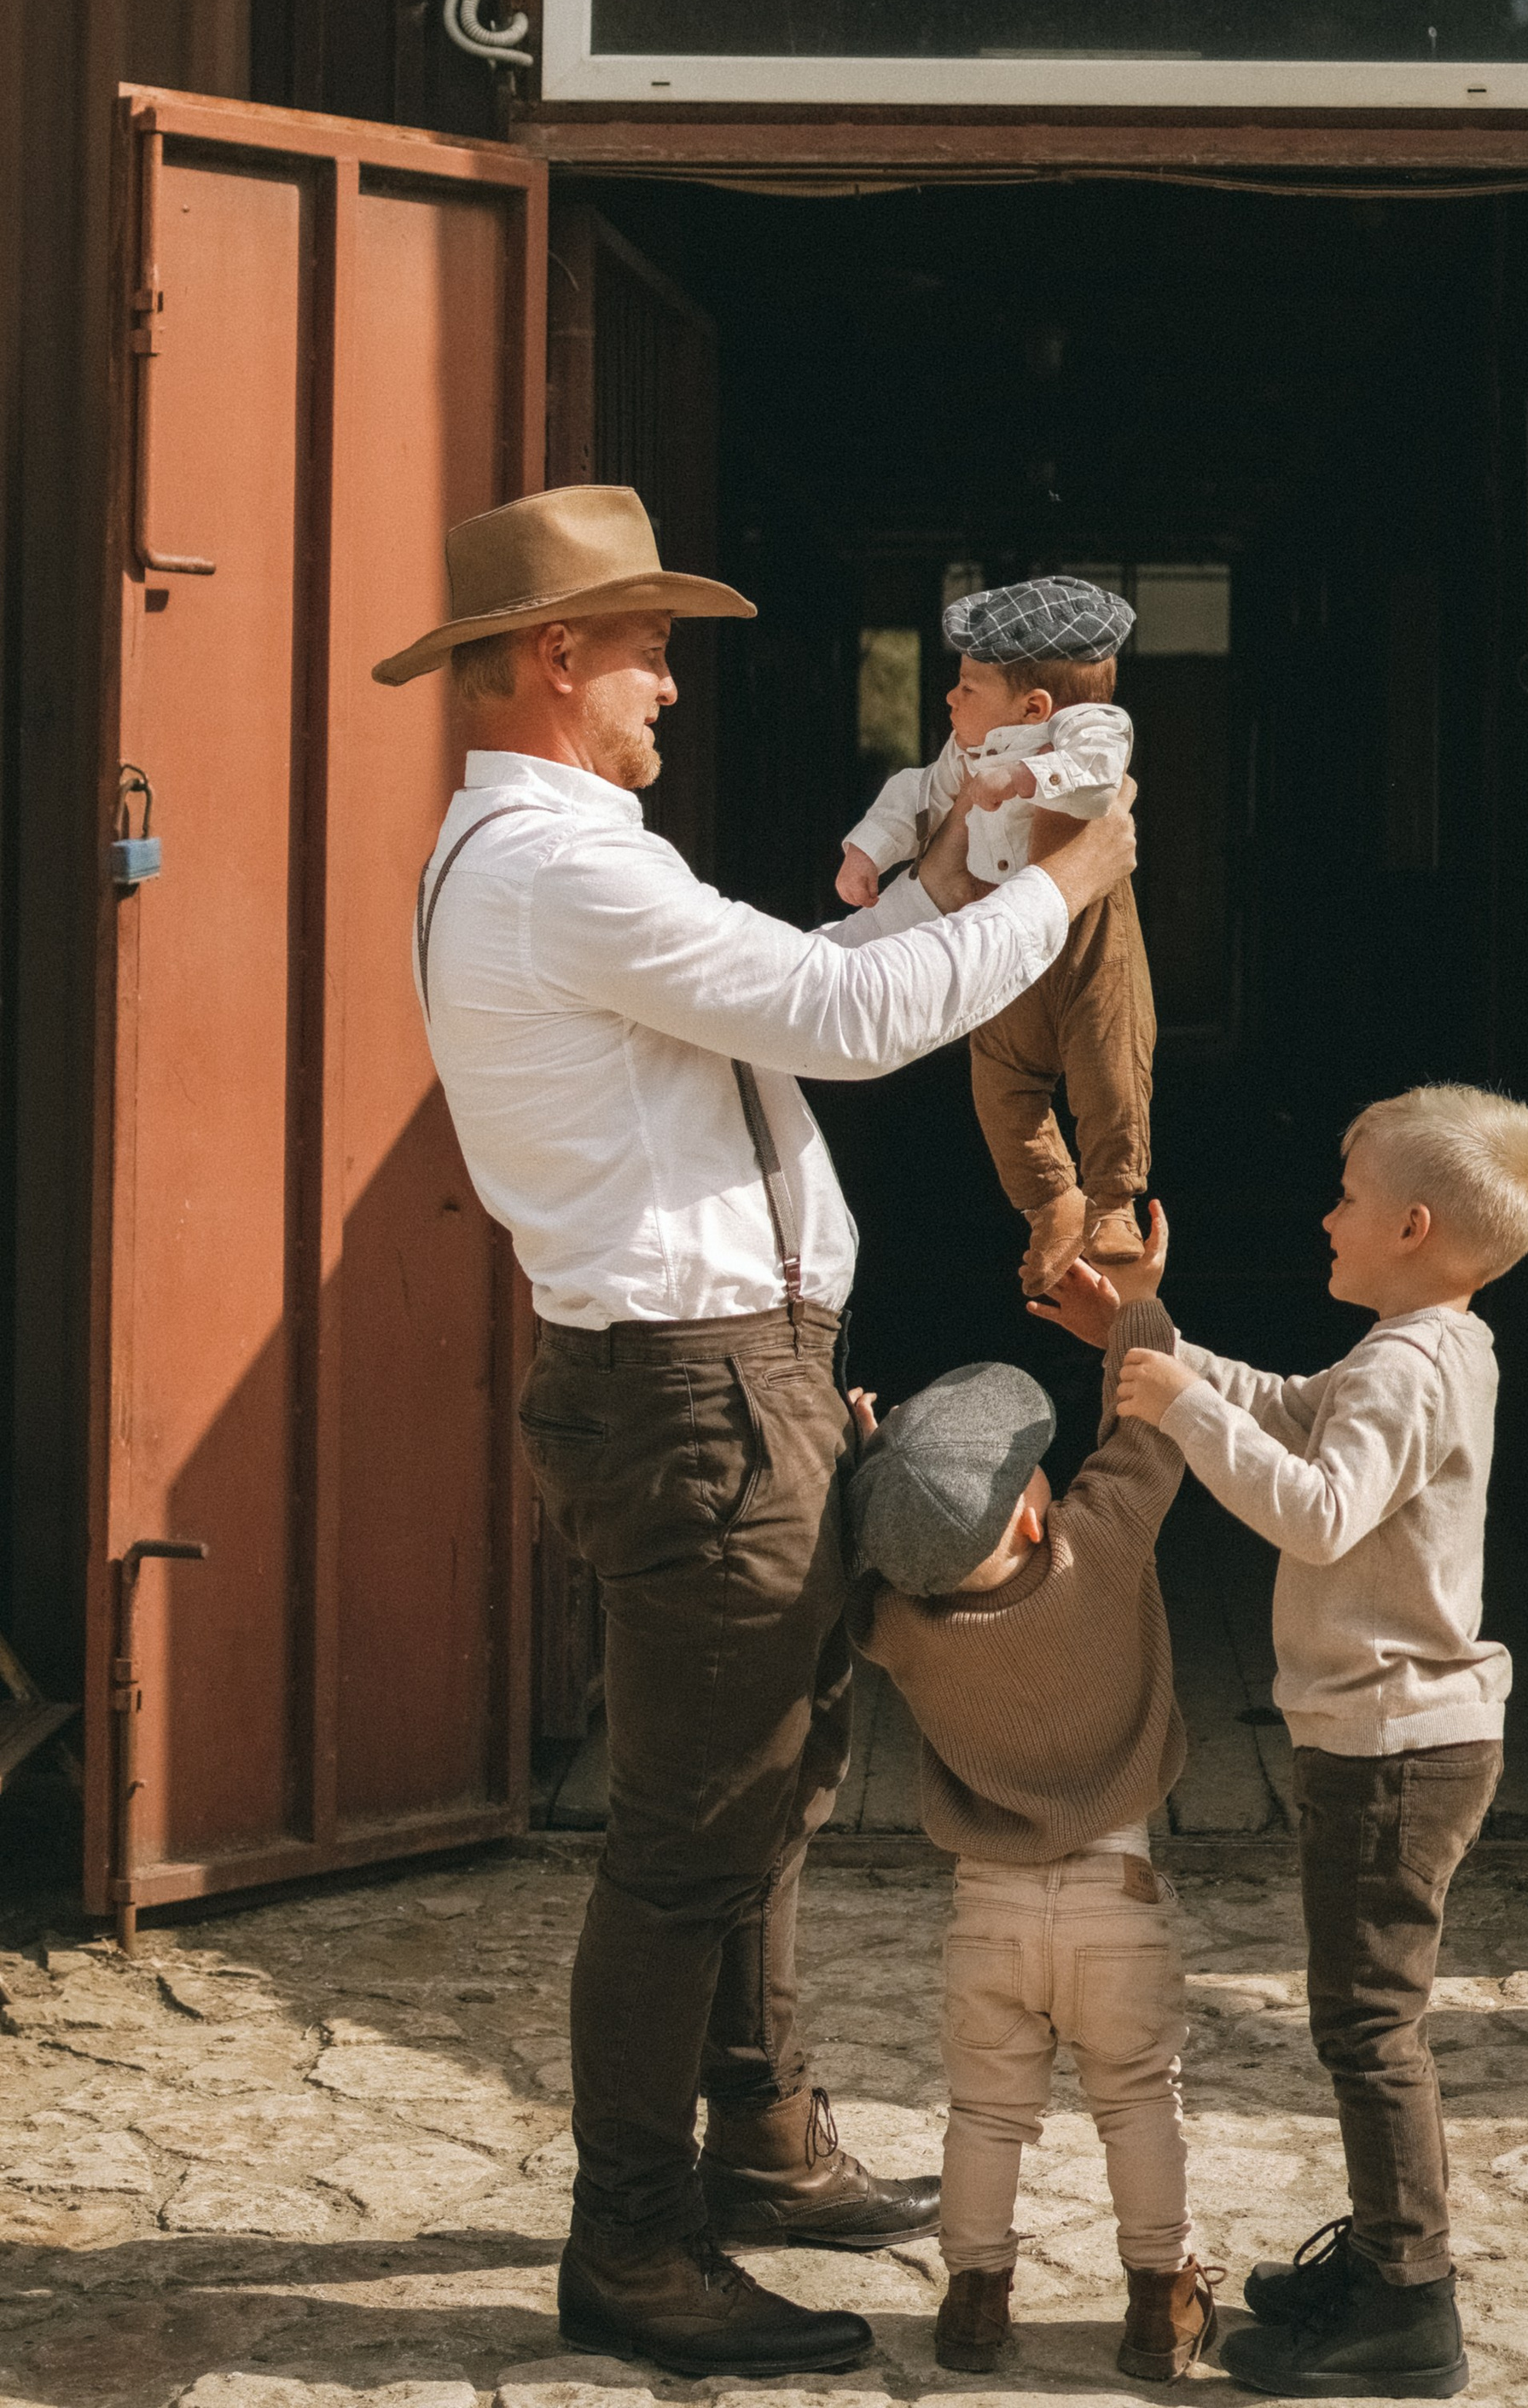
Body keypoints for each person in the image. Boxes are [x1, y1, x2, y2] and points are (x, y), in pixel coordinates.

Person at [372, 485, 1139, 2383]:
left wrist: (958, 876)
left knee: (775, 1779)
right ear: (557, 659)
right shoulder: (565, 867)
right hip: (700, 1383)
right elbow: (841, 1012)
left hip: (730, 1374)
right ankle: (633, 2247)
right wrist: (1060, 877)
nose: (671, 693)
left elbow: (785, 1001)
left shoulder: (555, 857)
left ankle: (766, 2142)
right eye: (648, 653)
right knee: (689, 1835)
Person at [1060, 1084, 1528, 2401]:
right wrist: (1144, 1338)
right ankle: (1392, 2263)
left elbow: (1320, 1509)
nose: (1324, 1215)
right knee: (1363, 2019)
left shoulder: (1405, 1364)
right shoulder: (1431, 1341)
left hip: (1397, 1747)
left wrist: (1175, 1411)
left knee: (1368, 2029)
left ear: (1411, 1223)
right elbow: (1288, 1411)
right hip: (1390, 1738)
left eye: (1344, 1195)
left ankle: (1408, 2300)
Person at [844, 1209, 1217, 2383]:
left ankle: (973, 2299)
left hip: (988, 1915)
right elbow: (1150, 1429)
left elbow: (850, 1563)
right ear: (1025, 1512)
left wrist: (861, 1471)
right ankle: (1160, 2298)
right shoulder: (1098, 1545)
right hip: (1119, 1890)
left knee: (986, 2118)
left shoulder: (900, 1628)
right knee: (1138, 2105)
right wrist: (1137, 1308)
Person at [835, 575, 1153, 1299]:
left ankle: (1112, 1200)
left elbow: (1098, 778)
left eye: (968, 687)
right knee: (1000, 1080)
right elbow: (916, 793)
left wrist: (1025, 775)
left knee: (1110, 1060)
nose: (951, 700)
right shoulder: (964, 751)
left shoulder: (1088, 728)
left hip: (1088, 931)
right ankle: (1050, 1204)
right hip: (999, 931)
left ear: (1035, 707)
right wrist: (868, 852)